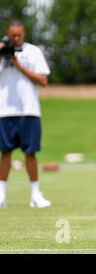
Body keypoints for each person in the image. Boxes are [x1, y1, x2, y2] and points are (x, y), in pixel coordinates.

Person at [0, 20, 51, 208]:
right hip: (5, 110)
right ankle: (1, 195)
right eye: (12, 36)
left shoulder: (33, 52)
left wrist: (18, 65)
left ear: (24, 33)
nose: (15, 39)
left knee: (30, 152)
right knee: (5, 152)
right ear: (8, 34)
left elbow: (43, 80)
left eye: (18, 35)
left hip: (29, 109)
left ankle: (35, 195)